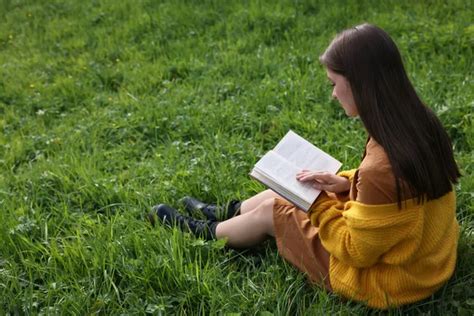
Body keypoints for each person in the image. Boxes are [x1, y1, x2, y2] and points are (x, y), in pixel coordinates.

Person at [148, 23, 460, 309]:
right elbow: (396, 192)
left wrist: (317, 203)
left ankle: (208, 232)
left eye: (335, 84)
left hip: (388, 281)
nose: (333, 94)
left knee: (278, 210)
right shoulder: (419, 122)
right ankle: (228, 212)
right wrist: (345, 183)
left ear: (361, 85)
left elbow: (356, 251)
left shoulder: (381, 166)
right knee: (289, 194)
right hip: (422, 259)